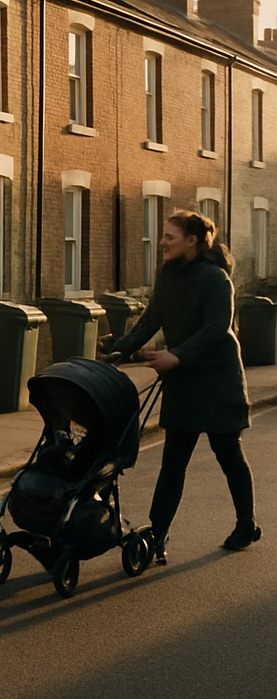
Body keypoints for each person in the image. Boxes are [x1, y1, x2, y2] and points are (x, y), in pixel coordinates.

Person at [104, 209, 261, 564]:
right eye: (163, 236)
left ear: (192, 241)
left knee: (229, 456)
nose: (162, 242)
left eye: (169, 237)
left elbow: (216, 329)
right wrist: (119, 350)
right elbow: (151, 319)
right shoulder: (168, 274)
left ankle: (246, 524)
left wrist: (176, 356)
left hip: (218, 381)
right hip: (183, 382)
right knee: (173, 463)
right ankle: (157, 535)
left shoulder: (216, 279)